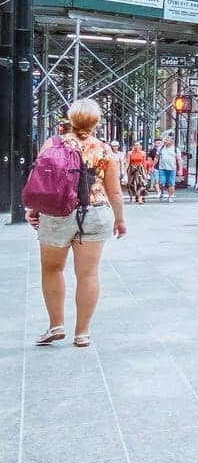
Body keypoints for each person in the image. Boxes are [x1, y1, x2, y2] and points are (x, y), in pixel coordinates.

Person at [27, 99, 127, 348]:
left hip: (58, 212)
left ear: (71, 119)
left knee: (52, 269)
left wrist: (33, 208)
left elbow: (39, 180)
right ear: (96, 122)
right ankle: (82, 333)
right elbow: (114, 191)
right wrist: (120, 219)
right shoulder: (104, 149)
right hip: (95, 211)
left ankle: (56, 325)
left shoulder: (53, 144)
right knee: (88, 274)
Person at [154, 136, 179, 202]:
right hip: (162, 168)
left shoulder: (175, 149)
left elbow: (179, 160)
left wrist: (180, 169)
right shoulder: (161, 148)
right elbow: (156, 157)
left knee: (171, 183)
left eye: (167, 140)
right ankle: (162, 192)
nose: (165, 141)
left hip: (172, 169)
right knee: (161, 183)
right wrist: (152, 166)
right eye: (165, 140)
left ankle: (170, 197)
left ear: (171, 141)